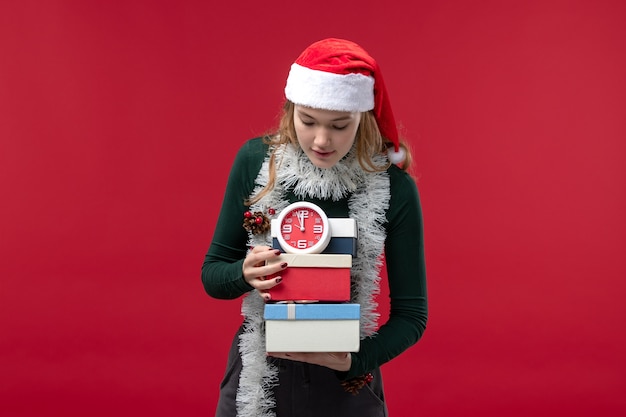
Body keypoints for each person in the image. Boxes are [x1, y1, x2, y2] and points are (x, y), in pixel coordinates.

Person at [202, 38, 428, 417]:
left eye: (340, 126)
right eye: (307, 121)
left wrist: (354, 361)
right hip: (260, 378)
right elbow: (212, 274)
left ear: (364, 117)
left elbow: (412, 315)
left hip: (347, 386)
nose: (322, 141)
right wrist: (244, 273)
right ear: (290, 109)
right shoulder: (256, 162)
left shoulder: (394, 187)